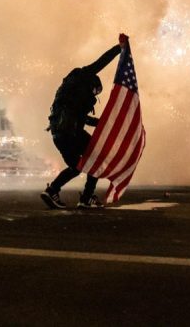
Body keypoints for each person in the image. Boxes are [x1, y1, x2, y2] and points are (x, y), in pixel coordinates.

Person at [41, 33, 128, 209]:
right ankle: (86, 198)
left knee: (76, 166)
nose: (95, 96)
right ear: (92, 84)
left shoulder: (67, 93)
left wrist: (100, 123)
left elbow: (79, 116)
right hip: (71, 132)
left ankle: (52, 191)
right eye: (96, 91)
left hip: (59, 134)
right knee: (97, 158)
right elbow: (101, 62)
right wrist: (120, 48)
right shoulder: (83, 76)